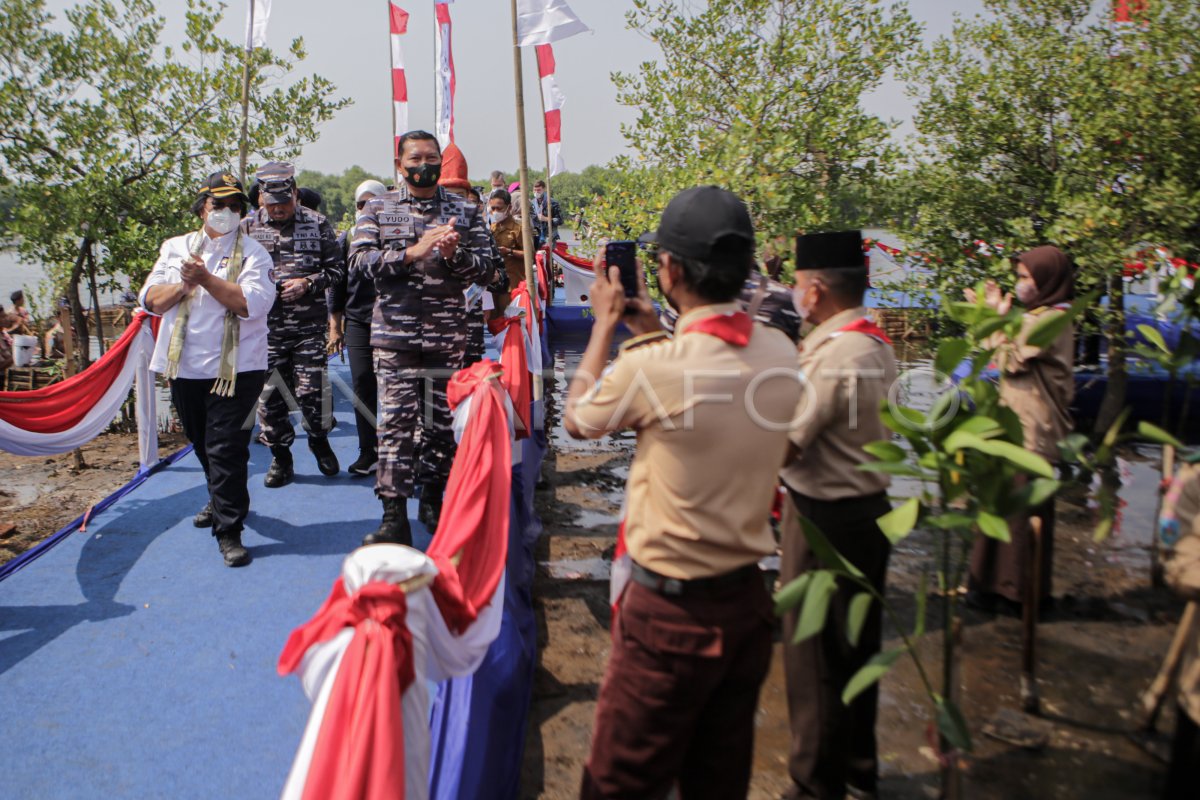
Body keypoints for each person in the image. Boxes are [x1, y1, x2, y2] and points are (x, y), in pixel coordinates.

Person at [565, 186, 802, 799]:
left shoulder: (656, 367)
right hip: (747, 602)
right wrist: (651, 334)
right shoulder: (782, 351)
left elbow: (580, 418)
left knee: (617, 781)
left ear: (667, 270)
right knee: (718, 780)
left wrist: (603, 327)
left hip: (668, 615)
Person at [779, 230, 898, 800]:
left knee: (813, 658)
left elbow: (788, 444)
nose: (792, 293)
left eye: (797, 285)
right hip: (869, 511)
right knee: (855, 647)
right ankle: (857, 767)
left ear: (817, 289)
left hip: (824, 518)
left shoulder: (836, 353)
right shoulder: (872, 341)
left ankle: (813, 783)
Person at [348, 129, 492, 544]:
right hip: (394, 335)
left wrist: (455, 255)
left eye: (431, 158)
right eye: (414, 159)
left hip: (446, 335)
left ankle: (433, 495)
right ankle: (394, 516)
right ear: (400, 164)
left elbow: (488, 270)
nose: (423, 166)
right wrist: (410, 253)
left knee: (440, 424)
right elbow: (359, 262)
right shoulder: (377, 208)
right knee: (394, 424)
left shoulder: (463, 211)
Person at [138, 171, 274, 567]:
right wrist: (183, 285)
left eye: (235, 207)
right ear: (202, 209)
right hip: (184, 367)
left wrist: (206, 279)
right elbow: (151, 300)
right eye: (219, 206)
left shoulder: (254, 253)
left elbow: (251, 304)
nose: (227, 213)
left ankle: (230, 530)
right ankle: (219, 499)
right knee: (202, 445)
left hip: (238, 369)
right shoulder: (175, 248)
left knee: (226, 449)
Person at [965, 245, 1075, 614]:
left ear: (1047, 282)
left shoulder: (1052, 319)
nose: (1020, 285)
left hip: (1033, 433)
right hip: (1016, 430)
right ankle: (992, 587)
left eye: (1026, 278)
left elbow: (1007, 360)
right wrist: (995, 318)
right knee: (1000, 509)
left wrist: (989, 316)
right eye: (1020, 277)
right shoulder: (1037, 316)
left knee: (1022, 514)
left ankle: (1017, 595)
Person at [242, 162, 345, 487]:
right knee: (271, 398)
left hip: (306, 328)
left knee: (311, 393)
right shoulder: (245, 229)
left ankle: (318, 439)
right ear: (260, 198)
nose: (278, 210)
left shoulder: (316, 223)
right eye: (272, 205)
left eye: (284, 204)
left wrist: (309, 283)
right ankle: (281, 457)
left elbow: (338, 270)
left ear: (296, 195)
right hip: (263, 331)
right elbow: (230, 272)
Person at [328, 178, 388, 476]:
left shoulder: (396, 235)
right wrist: (334, 325)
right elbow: (337, 286)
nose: (365, 209)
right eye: (360, 204)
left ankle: (403, 449)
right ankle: (368, 451)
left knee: (397, 385)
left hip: (393, 319)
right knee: (363, 381)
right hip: (358, 321)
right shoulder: (346, 240)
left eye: (371, 203)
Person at [488, 189, 524, 309]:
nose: (495, 212)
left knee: (509, 321)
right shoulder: (492, 228)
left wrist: (510, 252)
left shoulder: (518, 229)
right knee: (493, 322)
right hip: (493, 283)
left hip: (511, 284)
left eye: (499, 208)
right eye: (493, 208)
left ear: (509, 208)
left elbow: (530, 256)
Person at [530, 179, 562, 245]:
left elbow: (560, 220)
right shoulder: (531, 203)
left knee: (549, 254)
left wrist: (546, 219)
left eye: (538, 190)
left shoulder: (552, 202)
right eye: (534, 190)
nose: (536, 192)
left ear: (544, 189)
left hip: (550, 236)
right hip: (536, 236)